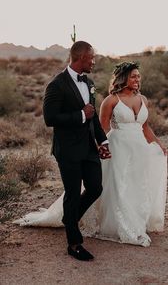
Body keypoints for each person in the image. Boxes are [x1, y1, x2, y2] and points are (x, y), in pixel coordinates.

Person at [14, 61, 167, 248]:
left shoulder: (143, 99)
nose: (137, 79)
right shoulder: (111, 101)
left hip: (139, 149)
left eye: (138, 76)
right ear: (123, 78)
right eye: (133, 76)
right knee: (118, 186)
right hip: (117, 148)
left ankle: (137, 220)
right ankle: (119, 225)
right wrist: (97, 147)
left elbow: (145, 127)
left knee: (137, 184)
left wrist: (158, 144)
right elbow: (99, 127)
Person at [32, 40, 111, 262]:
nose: (94, 62)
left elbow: (93, 116)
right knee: (73, 192)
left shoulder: (90, 82)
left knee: (95, 187)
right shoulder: (56, 85)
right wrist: (80, 115)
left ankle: (70, 219)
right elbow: (50, 119)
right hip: (67, 150)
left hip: (88, 147)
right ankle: (74, 244)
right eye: (91, 58)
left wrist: (102, 142)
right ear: (79, 57)